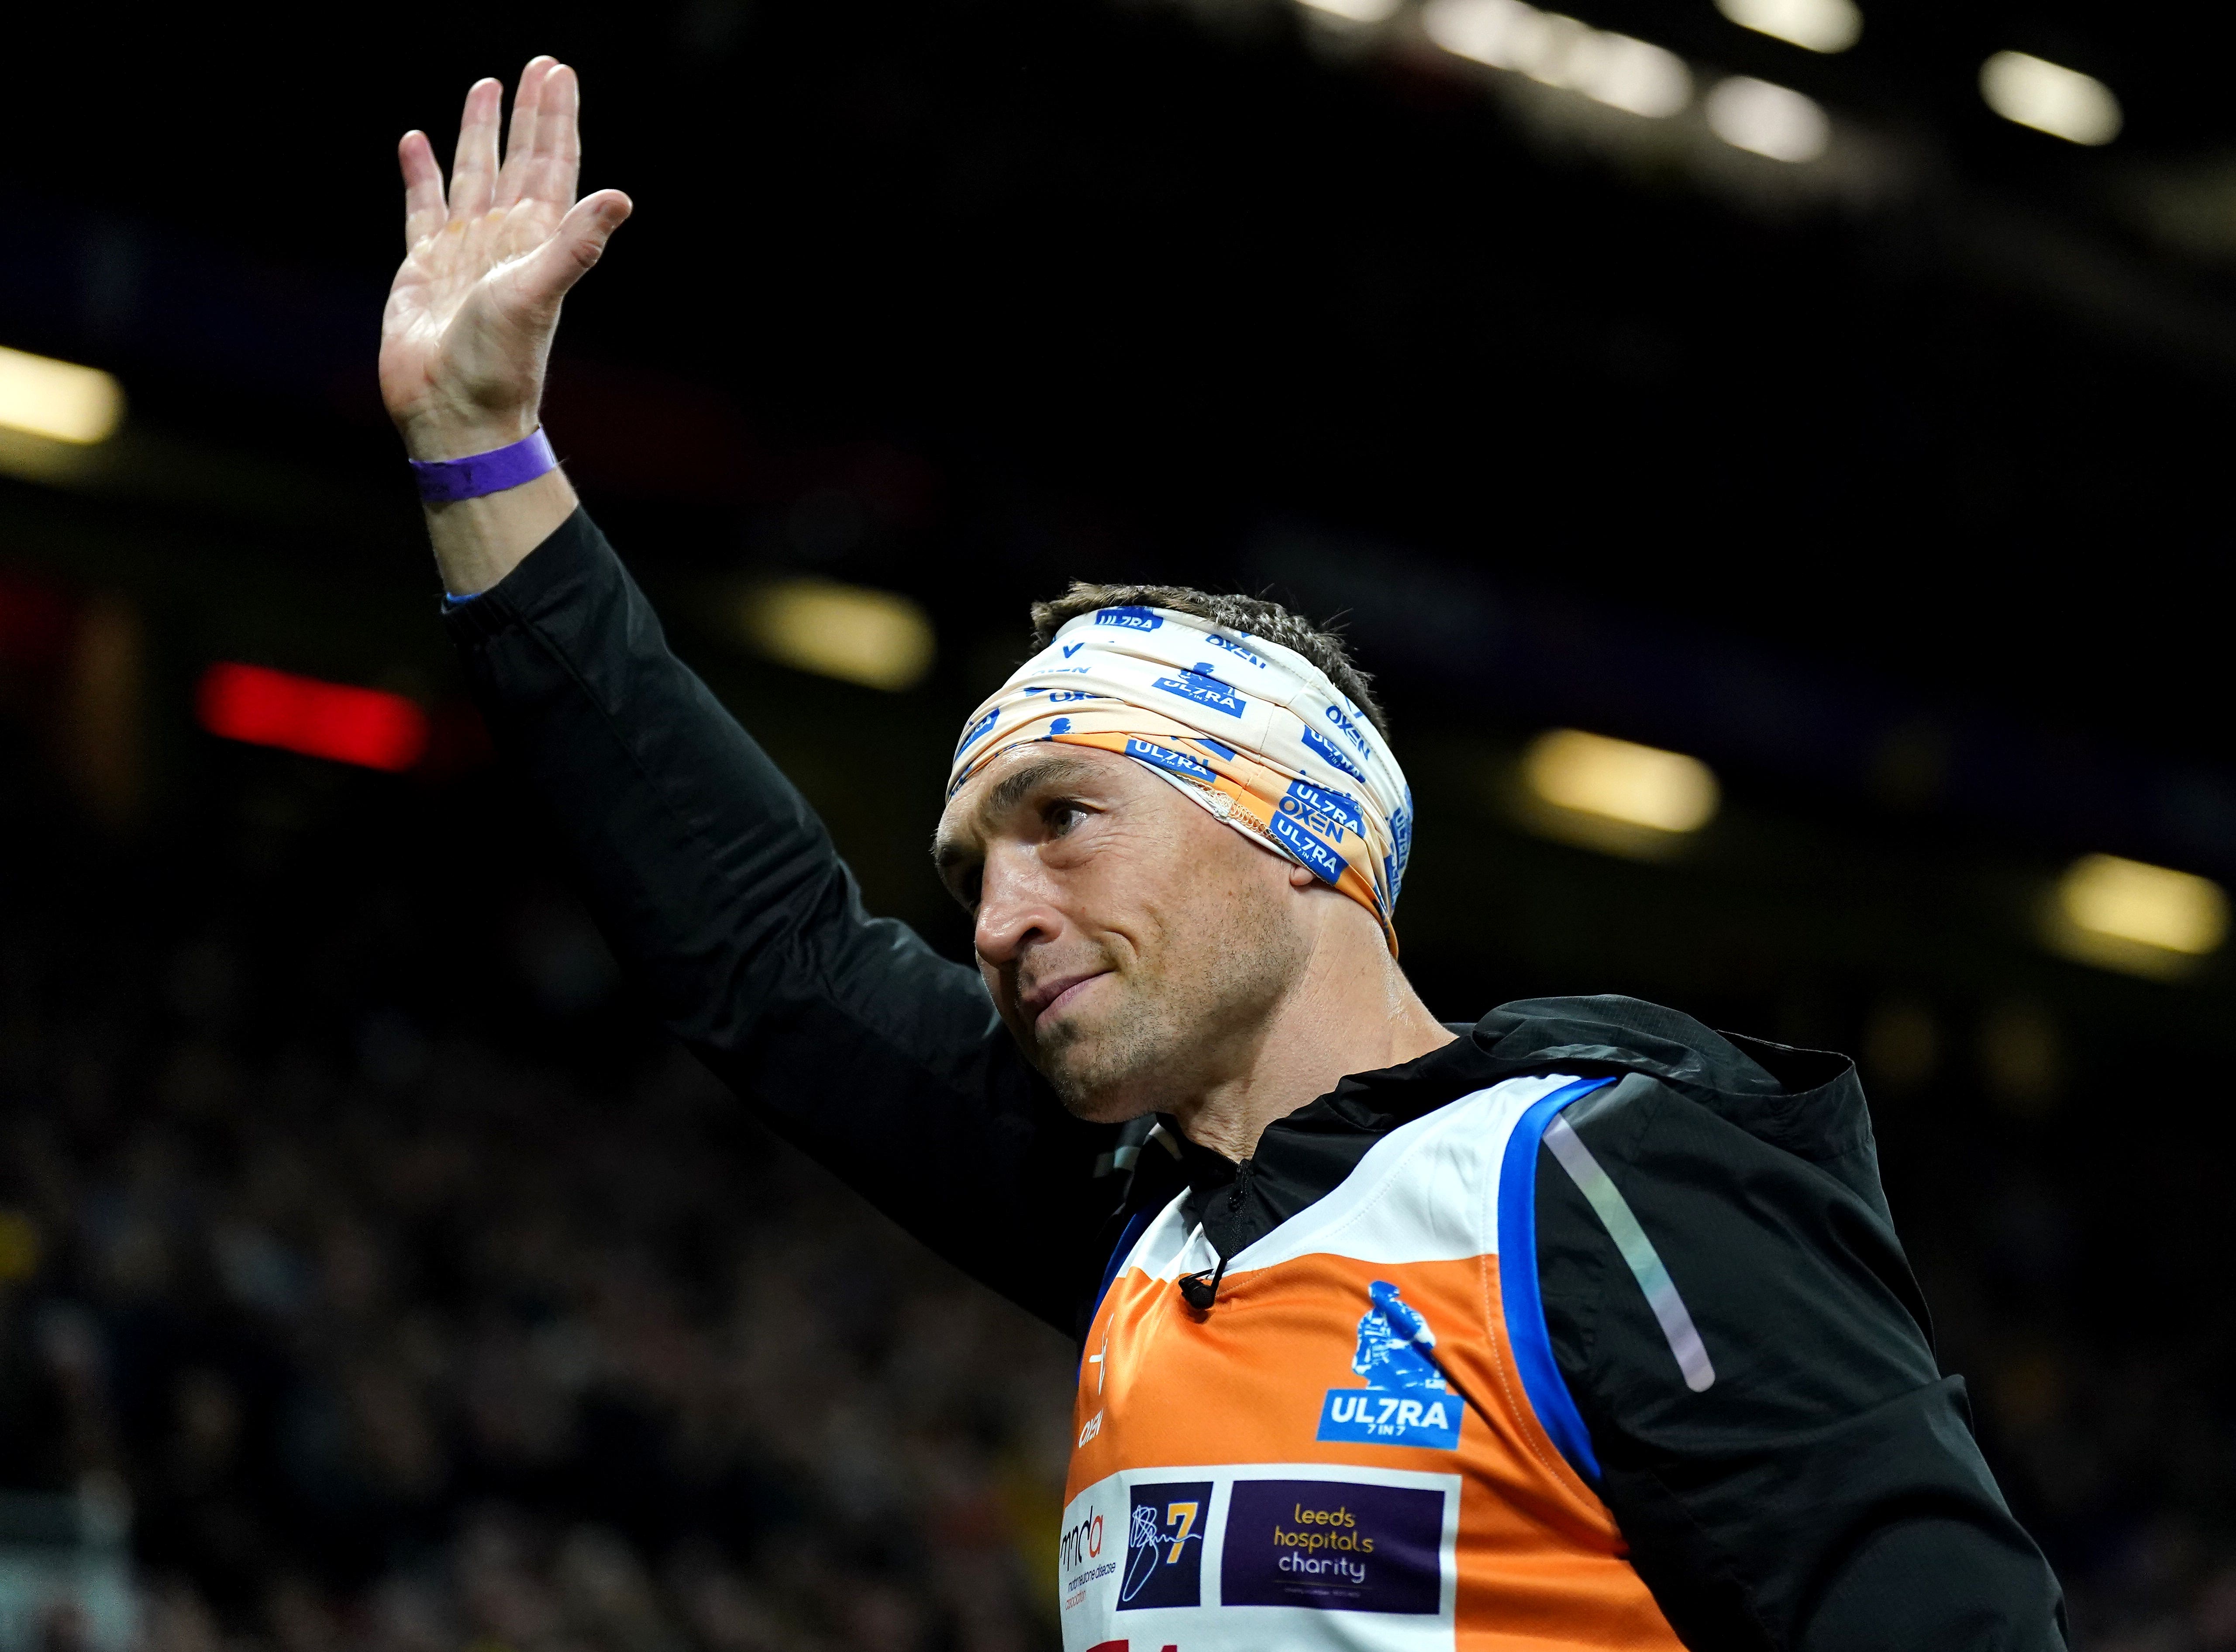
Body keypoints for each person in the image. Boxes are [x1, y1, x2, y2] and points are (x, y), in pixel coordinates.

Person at [384, 58, 2070, 1650]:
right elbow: (763, 949)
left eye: (1063, 823)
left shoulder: (1595, 1185)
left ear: (1306, 835)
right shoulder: (1144, 1219)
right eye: (976, 869)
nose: (997, 919)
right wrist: (479, 452)